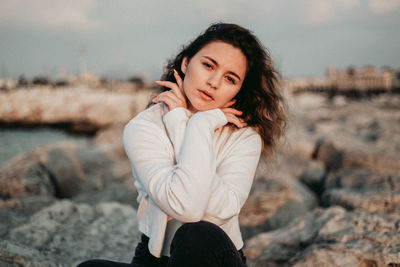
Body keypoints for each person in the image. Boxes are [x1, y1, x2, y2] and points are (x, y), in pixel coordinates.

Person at [78, 22, 287, 267]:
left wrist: (195, 124)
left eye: (230, 78)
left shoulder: (244, 136)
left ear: (238, 91)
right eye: (208, 65)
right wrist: (191, 124)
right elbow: (184, 204)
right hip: (154, 258)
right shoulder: (145, 126)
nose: (214, 82)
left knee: (196, 234)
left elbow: (203, 212)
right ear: (186, 63)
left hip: (214, 257)